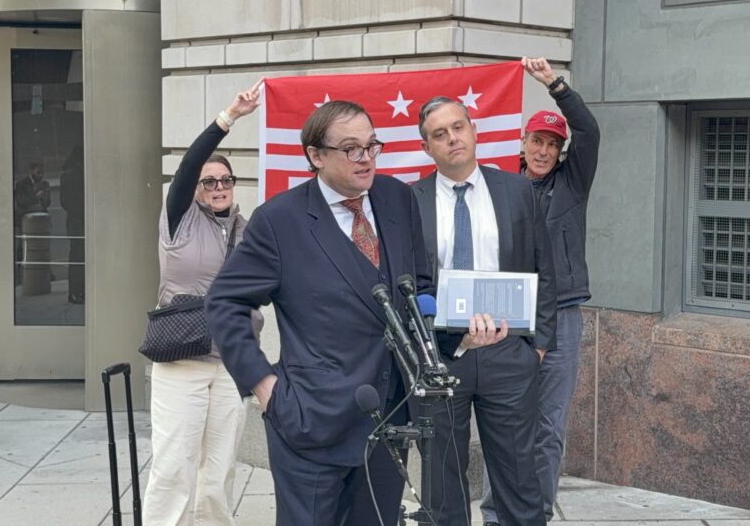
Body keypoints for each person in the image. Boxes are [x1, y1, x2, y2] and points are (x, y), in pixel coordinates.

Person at [207, 100, 457, 525]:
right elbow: (225, 302)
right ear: (316, 155)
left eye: (371, 145)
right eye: (351, 149)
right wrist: (264, 386)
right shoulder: (279, 221)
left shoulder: (397, 198)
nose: (366, 158)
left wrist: (455, 336)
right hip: (311, 421)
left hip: (389, 417)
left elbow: (418, 287)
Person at [411, 92, 558, 526]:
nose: (452, 138)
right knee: (442, 486)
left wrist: (536, 347)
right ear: (426, 147)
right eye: (440, 134)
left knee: (519, 481)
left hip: (508, 352)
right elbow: (408, 282)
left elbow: (544, 269)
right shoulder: (410, 201)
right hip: (441, 358)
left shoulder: (516, 190)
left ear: (474, 131)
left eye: (458, 127)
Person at [480, 57, 600, 525]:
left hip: (562, 315)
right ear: (523, 142)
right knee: (501, 420)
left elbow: (588, 131)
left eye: (553, 144)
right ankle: (495, 514)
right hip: (510, 313)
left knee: (548, 426)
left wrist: (555, 84)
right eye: (537, 140)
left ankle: (537, 514)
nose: (544, 150)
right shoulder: (500, 186)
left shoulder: (572, 183)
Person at [141, 80, 264, 526]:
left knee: (218, 474)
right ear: (195, 188)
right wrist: (229, 118)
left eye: (225, 180)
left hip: (231, 362)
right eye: (208, 181)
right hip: (182, 362)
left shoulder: (249, 230)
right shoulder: (179, 220)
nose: (217, 187)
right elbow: (191, 162)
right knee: (174, 469)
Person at [60, 144, 84, 304]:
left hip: (76, 222)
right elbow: (67, 201)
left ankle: (76, 291)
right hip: (78, 222)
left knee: (77, 257)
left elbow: (65, 202)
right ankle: (76, 291)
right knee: (78, 257)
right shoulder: (73, 176)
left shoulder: (68, 175)